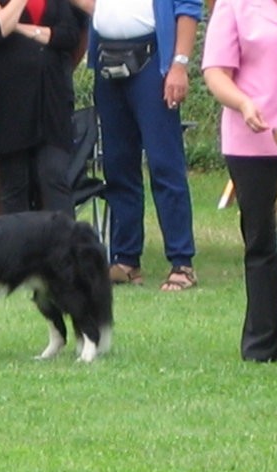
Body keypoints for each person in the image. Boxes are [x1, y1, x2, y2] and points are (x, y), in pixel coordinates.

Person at [73, 0, 201, 291]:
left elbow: (188, 8)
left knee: (164, 163)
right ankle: (126, 258)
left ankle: (182, 261)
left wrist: (179, 65)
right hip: (108, 57)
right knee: (117, 164)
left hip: (152, 59)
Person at [202, 0, 277, 362]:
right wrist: (242, 103)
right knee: (262, 244)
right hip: (254, 140)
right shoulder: (236, 4)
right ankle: (263, 348)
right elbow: (215, 72)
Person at [0, 0, 82, 217]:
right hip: (9, 100)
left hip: (51, 98)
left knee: (54, 175)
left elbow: (68, 35)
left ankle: (67, 248)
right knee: (14, 185)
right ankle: (19, 250)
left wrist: (16, 25)